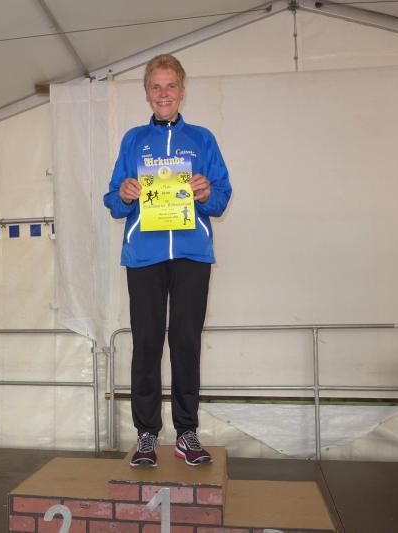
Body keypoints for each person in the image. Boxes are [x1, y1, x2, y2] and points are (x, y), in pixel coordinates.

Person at [103, 54, 232, 467]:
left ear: (182, 90)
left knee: (186, 343)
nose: (163, 94)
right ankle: (146, 434)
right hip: (144, 255)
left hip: (192, 254)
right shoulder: (133, 140)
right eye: (156, 86)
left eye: (170, 85)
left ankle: (186, 432)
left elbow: (222, 196)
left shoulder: (203, 139)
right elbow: (112, 199)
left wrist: (206, 192)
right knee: (146, 343)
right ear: (146, 92)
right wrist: (124, 194)